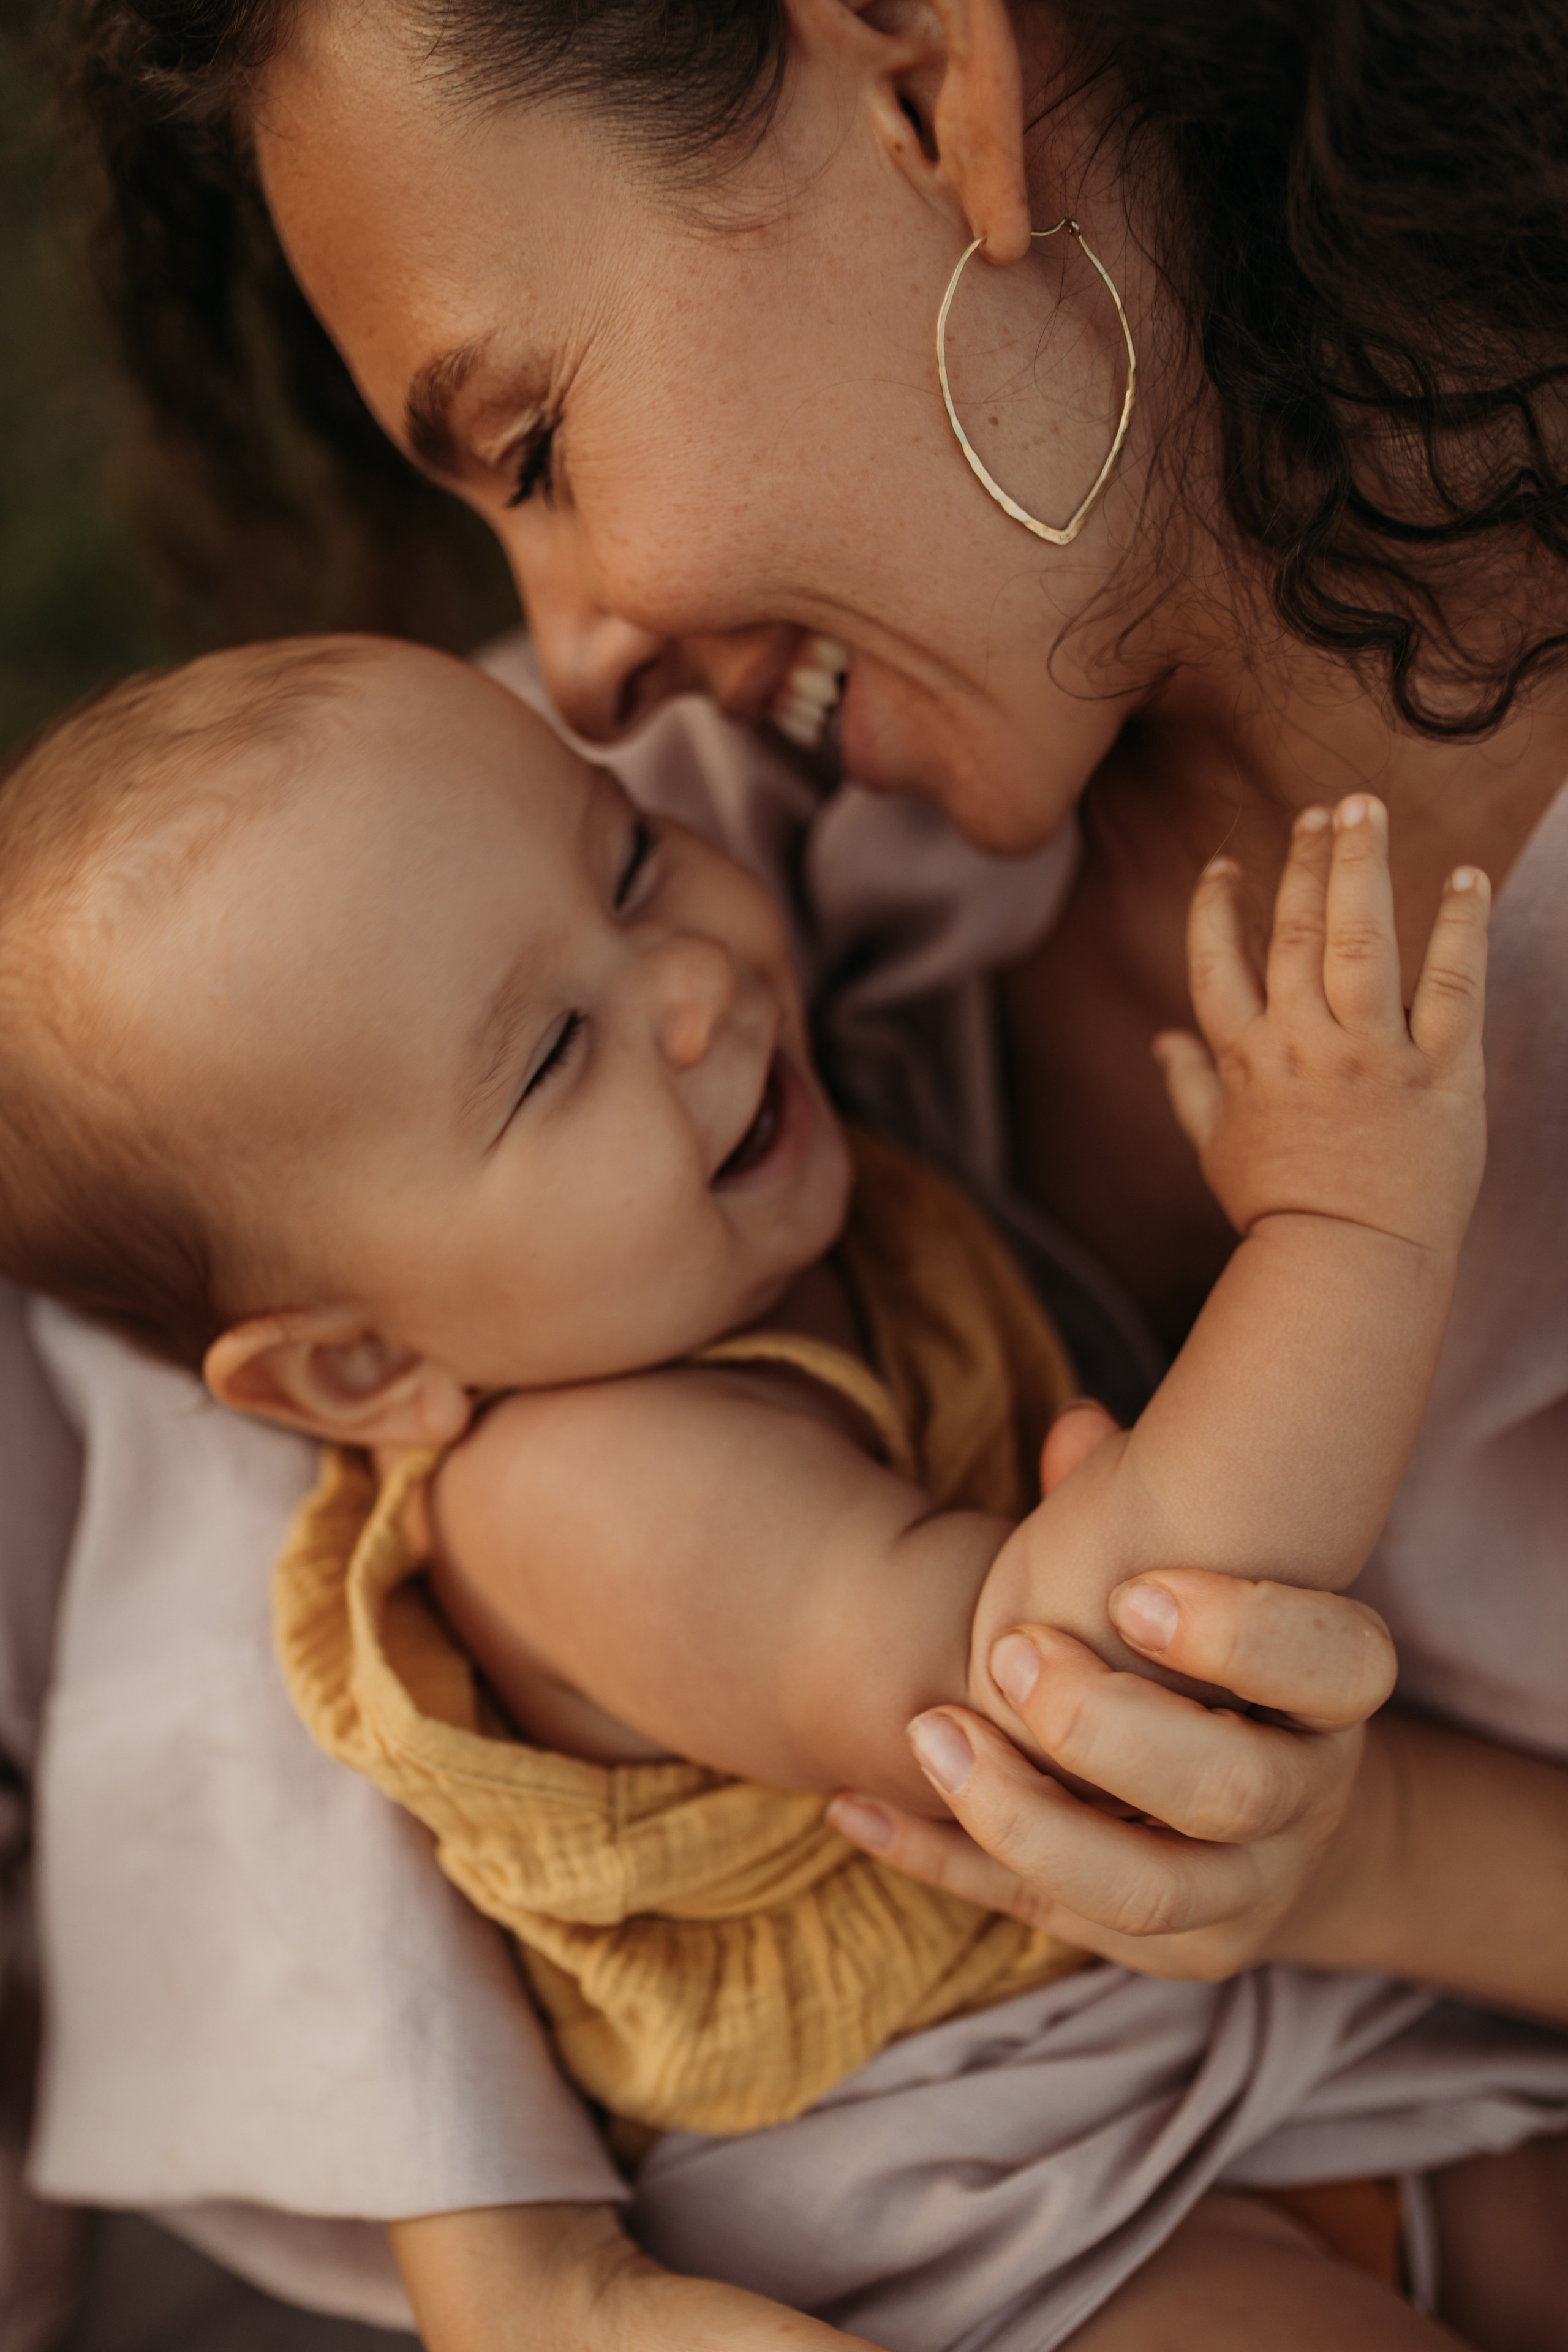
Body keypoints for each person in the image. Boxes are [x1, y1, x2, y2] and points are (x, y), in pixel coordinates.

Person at [31, 0, 1568, 2342]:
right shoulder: (727, 868)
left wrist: (1381, 1864)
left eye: (534, 442)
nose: (580, 656)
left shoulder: (648, 927)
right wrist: (518, 2261)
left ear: (930, 94)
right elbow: (234, 1415)